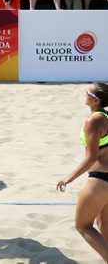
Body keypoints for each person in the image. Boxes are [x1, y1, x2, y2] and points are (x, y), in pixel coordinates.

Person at [57, 82, 108, 262]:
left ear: (95, 99)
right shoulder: (106, 117)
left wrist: (69, 177)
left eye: (87, 92)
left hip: (101, 179)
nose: (84, 94)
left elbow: (92, 157)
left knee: (83, 226)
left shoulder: (94, 120)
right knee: (104, 227)